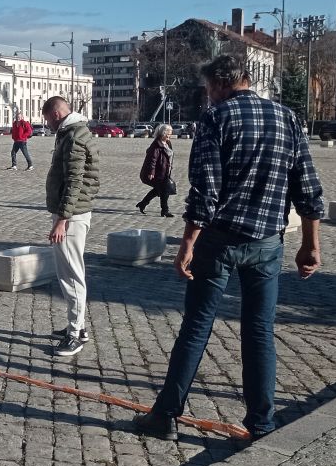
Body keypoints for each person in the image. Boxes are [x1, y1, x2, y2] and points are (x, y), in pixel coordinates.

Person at [134, 55, 324, 442]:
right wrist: (311, 244)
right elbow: (307, 186)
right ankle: (261, 423)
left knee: (196, 327)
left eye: (208, 89)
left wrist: (187, 243)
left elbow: (205, 189)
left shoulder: (216, 118)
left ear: (220, 84)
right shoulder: (287, 118)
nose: (208, 96)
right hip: (267, 242)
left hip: (219, 239)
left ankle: (166, 415)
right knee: (259, 331)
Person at [43, 96, 100, 356]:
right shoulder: (75, 132)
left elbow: (74, 182)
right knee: (70, 271)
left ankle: (75, 334)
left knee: (71, 274)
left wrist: (62, 220)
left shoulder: (74, 137)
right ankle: (78, 326)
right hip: (74, 213)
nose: (48, 125)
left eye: (47, 120)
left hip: (72, 217)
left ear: (55, 114)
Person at [136, 124, 176, 217]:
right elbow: (152, 160)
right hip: (158, 173)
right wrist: (151, 172)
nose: (169, 136)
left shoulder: (168, 143)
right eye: (168, 134)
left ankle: (143, 204)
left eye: (170, 134)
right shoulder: (156, 145)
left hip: (165, 171)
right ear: (163, 133)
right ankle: (165, 211)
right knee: (164, 191)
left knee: (159, 190)